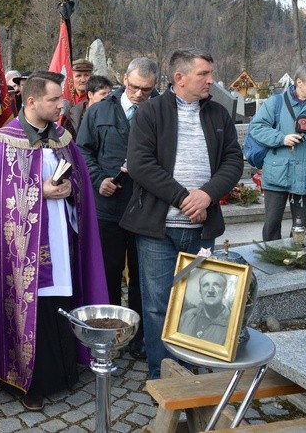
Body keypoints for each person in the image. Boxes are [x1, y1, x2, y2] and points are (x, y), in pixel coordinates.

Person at [0, 71, 109, 411]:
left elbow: (81, 184)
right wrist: (38, 191)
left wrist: (71, 191)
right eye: (53, 100)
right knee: (31, 308)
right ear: (31, 102)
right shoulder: (2, 142)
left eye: (61, 99)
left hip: (61, 238)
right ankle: (27, 380)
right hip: (20, 252)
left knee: (61, 299)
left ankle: (64, 371)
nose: (61, 105)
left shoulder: (62, 139)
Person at [119, 48, 243, 379]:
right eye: (204, 74)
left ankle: (191, 371)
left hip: (201, 229)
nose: (211, 80)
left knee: (198, 303)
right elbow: (141, 164)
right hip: (158, 229)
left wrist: (207, 195)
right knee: (158, 306)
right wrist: (184, 197)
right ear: (180, 78)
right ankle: (165, 376)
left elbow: (233, 161)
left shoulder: (218, 114)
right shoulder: (151, 113)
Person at [76, 57, 159, 360]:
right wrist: (98, 180)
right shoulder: (98, 111)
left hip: (144, 208)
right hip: (108, 208)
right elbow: (83, 151)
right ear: (124, 78)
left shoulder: (159, 112)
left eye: (146, 90)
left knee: (142, 277)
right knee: (109, 274)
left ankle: (138, 338)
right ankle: (110, 337)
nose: (139, 94)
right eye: (135, 87)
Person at [250, 63, 306, 241]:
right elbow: (257, 128)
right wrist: (282, 138)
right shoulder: (276, 103)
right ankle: (270, 263)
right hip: (277, 172)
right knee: (272, 224)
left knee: (301, 226)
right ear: (299, 82)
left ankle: (298, 262)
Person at [178, 271, 230, 344]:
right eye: (206, 285)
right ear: (200, 291)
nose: (210, 290)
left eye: (216, 285)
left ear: (225, 292)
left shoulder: (232, 324)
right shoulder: (188, 316)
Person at [62, 59, 95, 139]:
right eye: (78, 76)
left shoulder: (95, 99)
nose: (83, 80)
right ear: (71, 78)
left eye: (86, 75)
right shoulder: (65, 98)